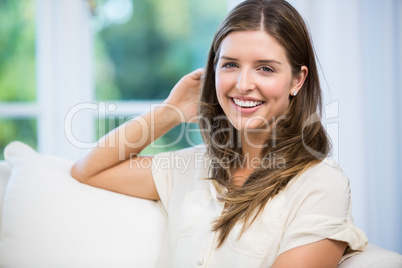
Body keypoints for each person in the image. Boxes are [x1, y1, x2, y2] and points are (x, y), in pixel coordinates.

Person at [71, 0, 368, 267]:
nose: (242, 83)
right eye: (229, 65)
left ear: (297, 80)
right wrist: (170, 111)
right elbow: (88, 170)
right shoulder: (191, 167)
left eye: (265, 68)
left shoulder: (322, 185)